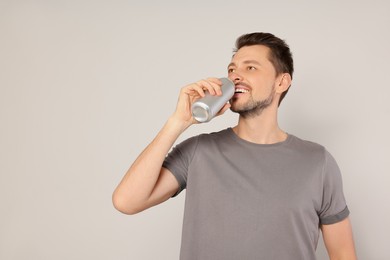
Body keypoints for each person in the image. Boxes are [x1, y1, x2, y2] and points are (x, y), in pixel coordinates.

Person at [112, 32, 357, 259]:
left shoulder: (317, 161)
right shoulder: (199, 151)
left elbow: (343, 254)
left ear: (282, 82)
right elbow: (126, 202)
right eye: (232, 69)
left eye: (250, 67)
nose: (234, 75)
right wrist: (178, 122)